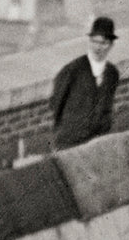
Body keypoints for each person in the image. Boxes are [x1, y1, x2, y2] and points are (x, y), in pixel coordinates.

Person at [49, 16, 120, 150]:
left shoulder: (112, 73)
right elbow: (56, 102)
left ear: (111, 45)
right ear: (89, 41)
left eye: (103, 43)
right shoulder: (72, 70)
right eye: (95, 42)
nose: (98, 47)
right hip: (70, 142)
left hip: (98, 142)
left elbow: (108, 105)